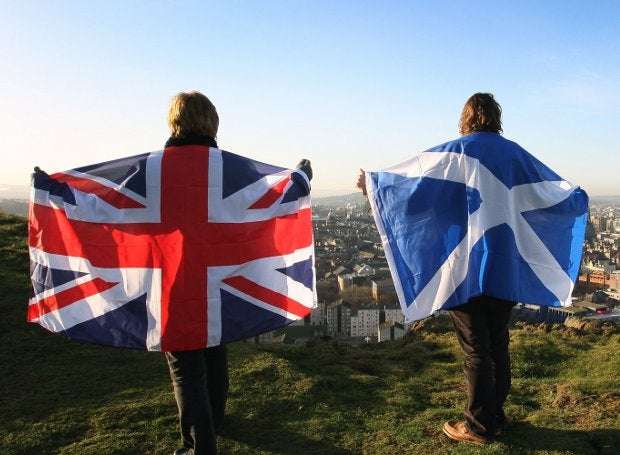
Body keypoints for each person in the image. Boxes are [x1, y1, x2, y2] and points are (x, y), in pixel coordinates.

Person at [356, 93, 515, 445]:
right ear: (496, 118)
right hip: (505, 267)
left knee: (476, 349)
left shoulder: (453, 155)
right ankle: (496, 417)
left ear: (467, 118)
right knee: (498, 345)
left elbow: (414, 199)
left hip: (466, 268)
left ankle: (478, 426)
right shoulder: (514, 156)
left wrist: (373, 189)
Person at [164, 91, 312, 455]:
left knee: (185, 367)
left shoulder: (155, 171)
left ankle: (200, 446)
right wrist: (300, 177)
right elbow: (268, 195)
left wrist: (54, 190)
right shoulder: (228, 171)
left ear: (174, 122)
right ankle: (215, 419)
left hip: (176, 280)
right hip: (220, 277)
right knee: (214, 348)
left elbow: (107, 204)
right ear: (212, 122)